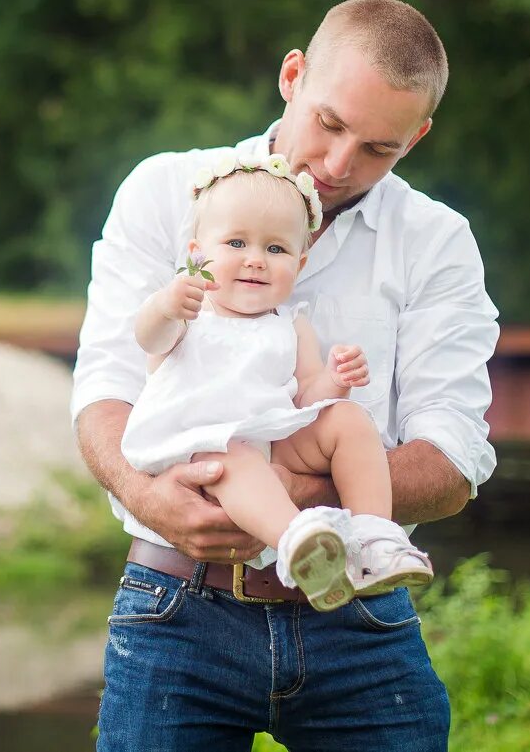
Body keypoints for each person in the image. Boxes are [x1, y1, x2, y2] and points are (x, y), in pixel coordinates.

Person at [74, 0, 498, 750]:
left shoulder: (436, 242)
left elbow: (456, 454)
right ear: (293, 75)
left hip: (360, 619)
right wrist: (149, 495)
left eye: (379, 148)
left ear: (419, 136)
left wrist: (304, 502)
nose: (338, 167)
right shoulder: (167, 191)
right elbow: (105, 388)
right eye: (330, 125)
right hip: (176, 604)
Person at [121, 152, 434, 612]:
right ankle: (299, 543)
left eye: (275, 249)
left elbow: (306, 395)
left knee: (346, 419)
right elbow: (149, 337)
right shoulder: (191, 314)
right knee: (235, 456)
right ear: (195, 255)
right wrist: (166, 305)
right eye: (235, 243)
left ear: (299, 263)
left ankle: (374, 539)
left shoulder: (290, 325)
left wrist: (334, 380)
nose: (255, 261)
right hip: (206, 445)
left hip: (275, 435)